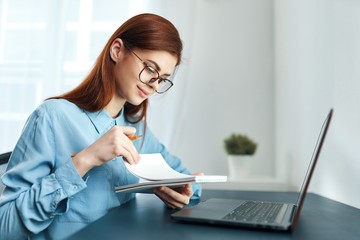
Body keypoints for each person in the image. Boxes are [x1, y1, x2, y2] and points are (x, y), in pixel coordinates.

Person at [0, 13, 202, 239]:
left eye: (162, 78)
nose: (153, 85)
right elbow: (5, 226)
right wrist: (84, 161)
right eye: (150, 69)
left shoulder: (137, 128)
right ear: (117, 50)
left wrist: (179, 192)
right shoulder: (52, 117)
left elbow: (184, 178)